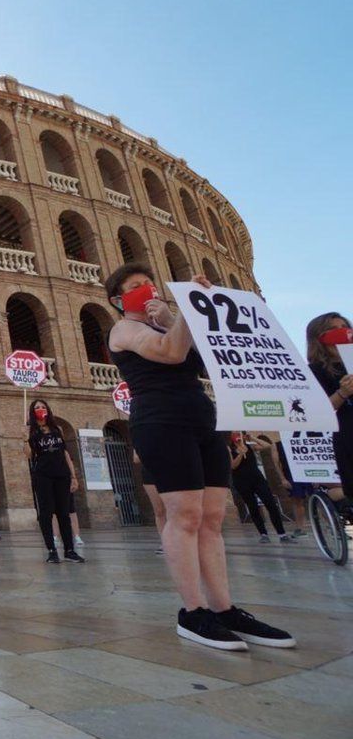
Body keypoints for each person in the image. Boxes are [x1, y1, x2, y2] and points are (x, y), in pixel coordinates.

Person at [106, 263, 293, 650]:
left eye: (149, 283)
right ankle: (193, 613)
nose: (148, 289)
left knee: (212, 517)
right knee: (185, 515)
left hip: (202, 416)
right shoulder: (124, 329)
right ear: (118, 300)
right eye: (137, 287)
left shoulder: (166, 321)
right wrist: (188, 311)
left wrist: (184, 313)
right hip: (161, 421)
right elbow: (171, 352)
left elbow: (207, 356)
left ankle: (225, 610)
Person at [27, 399, 85, 564]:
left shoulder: (57, 429)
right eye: (37, 407)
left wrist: (73, 476)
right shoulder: (31, 431)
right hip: (43, 475)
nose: (40, 409)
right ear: (32, 411)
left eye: (43, 406)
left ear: (48, 409)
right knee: (46, 513)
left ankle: (69, 550)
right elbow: (29, 455)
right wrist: (25, 439)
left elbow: (65, 453)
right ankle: (52, 550)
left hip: (62, 474)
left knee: (64, 513)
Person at [305, 313, 353, 501]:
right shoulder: (316, 370)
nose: (342, 332)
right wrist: (343, 392)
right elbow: (318, 411)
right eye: (333, 329)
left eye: (344, 326)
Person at [228, 432, 294, 544]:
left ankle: (281, 533)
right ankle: (263, 534)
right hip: (242, 481)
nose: (238, 438)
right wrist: (240, 454)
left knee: (270, 504)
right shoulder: (229, 449)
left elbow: (268, 446)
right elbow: (233, 466)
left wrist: (253, 438)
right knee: (252, 506)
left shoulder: (250, 445)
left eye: (240, 435)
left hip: (257, 479)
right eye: (236, 436)